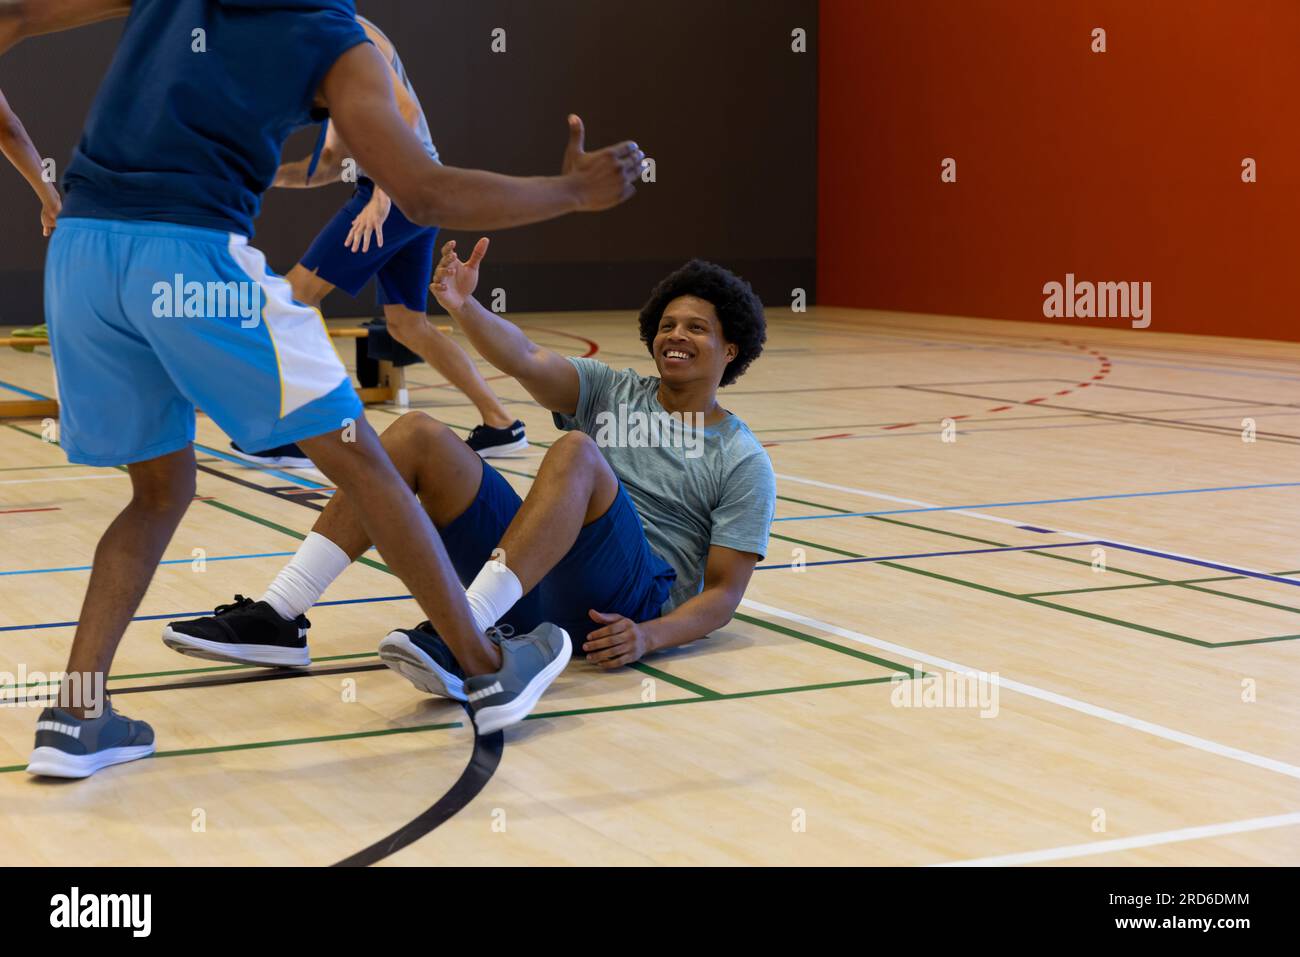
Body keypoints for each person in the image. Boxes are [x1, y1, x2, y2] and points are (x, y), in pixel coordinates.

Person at [5, 0, 644, 778]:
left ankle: (75, 713)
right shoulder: (337, 37)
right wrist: (571, 193)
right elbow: (426, 195)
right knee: (366, 464)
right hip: (190, 256)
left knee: (159, 489)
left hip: (79, 256)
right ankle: (484, 667)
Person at [166, 244, 776, 704]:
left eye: (696, 328)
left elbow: (723, 594)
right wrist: (463, 306)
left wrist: (650, 638)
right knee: (415, 434)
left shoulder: (742, 459)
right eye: (668, 324)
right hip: (528, 573)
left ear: (730, 351)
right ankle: (281, 614)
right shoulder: (614, 389)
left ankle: (464, 631)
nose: (675, 335)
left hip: (621, 602)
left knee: (575, 451)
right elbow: (525, 356)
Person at [232, 12, 526, 471]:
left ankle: (304, 433)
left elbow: (402, 116)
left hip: (400, 192)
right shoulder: (329, 54)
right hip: (412, 192)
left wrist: (386, 191)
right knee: (408, 325)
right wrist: (264, 176)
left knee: (295, 298)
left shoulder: (353, 33)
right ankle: (502, 424)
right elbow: (328, 164)